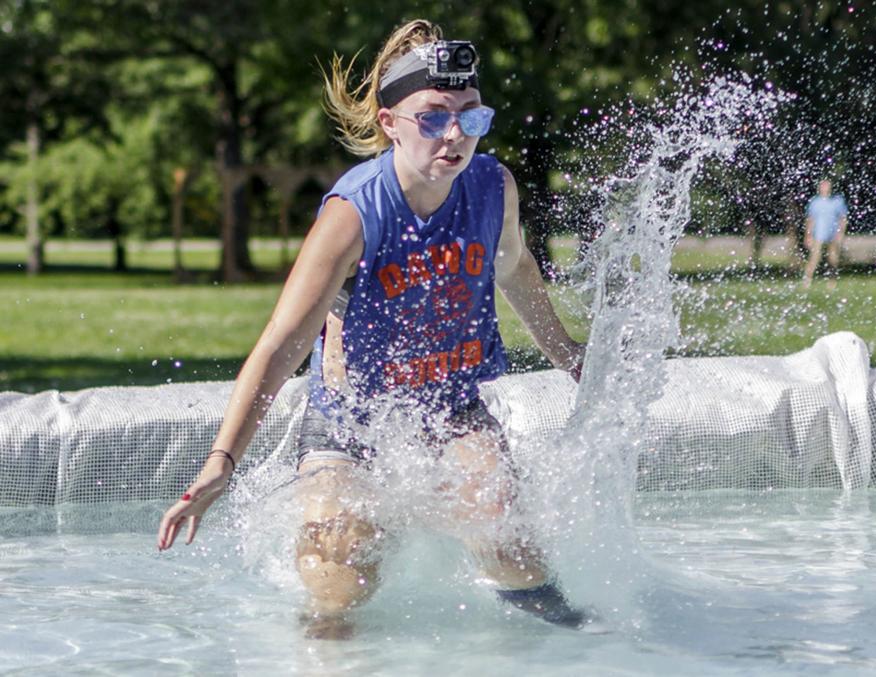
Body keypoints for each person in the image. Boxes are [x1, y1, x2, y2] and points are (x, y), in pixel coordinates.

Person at [156, 19, 589, 637]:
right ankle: (329, 650)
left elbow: (514, 266)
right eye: (434, 117)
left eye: (471, 116)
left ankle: (573, 638)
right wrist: (223, 460)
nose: (455, 135)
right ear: (389, 123)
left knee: (506, 540)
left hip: (451, 407)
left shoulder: (493, 185)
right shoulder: (355, 210)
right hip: (350, 419)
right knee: (339, 575)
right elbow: (282, 342)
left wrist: (567, 352)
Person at [802, 178, 848, 288]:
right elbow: (810, 219)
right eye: (823, 186)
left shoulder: (837, 201)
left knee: (833, 258)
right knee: (814, 257)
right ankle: (807, 280)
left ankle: (832, 281)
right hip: (818, 233)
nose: (825, 188)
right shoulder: (815, 202)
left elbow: (843, 218)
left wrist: (841, 233)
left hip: (833, 233)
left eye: (827, 186)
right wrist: (808, 235)